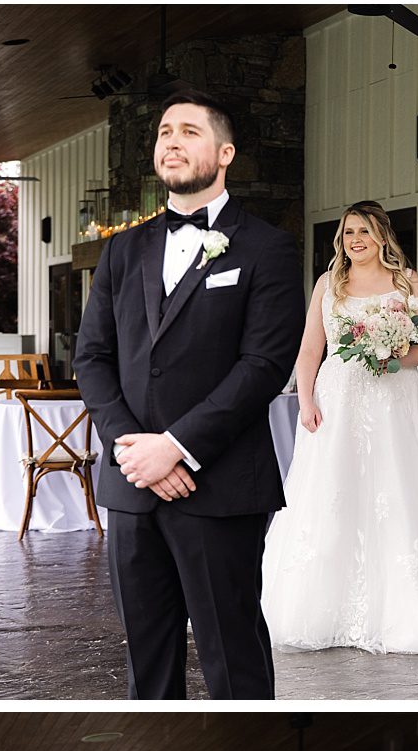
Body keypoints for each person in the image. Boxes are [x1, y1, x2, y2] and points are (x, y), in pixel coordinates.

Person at [75, 94, 303, 698]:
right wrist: (135, 452)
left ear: (225, 154)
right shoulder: (123, 250)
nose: (171, 141)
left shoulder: (268, 249)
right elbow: (92, 357)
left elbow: (264, 365)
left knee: (235, 663)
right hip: (133, 488)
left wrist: (176, 447)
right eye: (164, 132)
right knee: (146, 669)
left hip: (221, 487)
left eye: (189, 132)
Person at [263, 201, 418, 654]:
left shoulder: (405, 281)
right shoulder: (328, 284)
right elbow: (310, 350)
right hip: (338, 401)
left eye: (364, 232)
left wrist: (391, 356)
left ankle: (402, 616)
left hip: (393, 401)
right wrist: (307, 400)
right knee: (332, 492)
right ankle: (317, 608)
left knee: (394, 494)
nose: (355, 239)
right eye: (348, 232)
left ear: (381, 237)